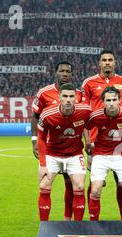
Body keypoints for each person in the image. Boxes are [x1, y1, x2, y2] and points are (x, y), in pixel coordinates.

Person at [31, 61, 84, 221]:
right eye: (62, 71)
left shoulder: (79, 94)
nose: (65, 73)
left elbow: (84, 118)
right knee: (46, 184)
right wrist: (34, 141)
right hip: (50, 148)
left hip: (72, 147)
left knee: (72, 184)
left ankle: (68, 219)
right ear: (56, 72)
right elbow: (35, 116)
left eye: (68, 71)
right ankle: (44, 227)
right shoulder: (44, 93)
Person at [82, 49, 122, 215]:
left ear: (115, 62)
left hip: (121, 139)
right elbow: (84, 114)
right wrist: (87, 140)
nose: (107, 62)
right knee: (96, 182)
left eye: (110, 59)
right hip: (96, 139)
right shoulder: (89, 83)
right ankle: (92, 218)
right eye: (104, 60)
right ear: (99, 63)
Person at [36, 83, 91, 221]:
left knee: (79, 186)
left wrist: (90, 143)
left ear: (76, 98)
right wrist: (43, 164)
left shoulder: (85, 111)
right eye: (65, 96)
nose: (68, 99)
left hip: (74, 154)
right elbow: (41, 138)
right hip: (52, 154)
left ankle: (77, 228)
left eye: (71, 96)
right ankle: (44, 227)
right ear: (59, 97)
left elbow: (93, 126)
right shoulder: (47, 114)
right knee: (44, 185)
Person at [86, 86, 122, 221]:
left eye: (114, 100)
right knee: (95, 190)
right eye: (108, 100)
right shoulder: (95, 115)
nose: (111, 103)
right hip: (100, 155)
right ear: (103, 102)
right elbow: (84, 127)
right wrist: (88, 143)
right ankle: (94, 224)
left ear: (119, 100)